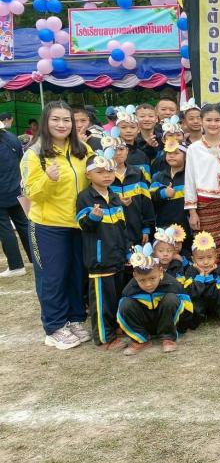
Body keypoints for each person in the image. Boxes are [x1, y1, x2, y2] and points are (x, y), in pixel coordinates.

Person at [20, 101, 92, 350]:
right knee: (53, 276)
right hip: (47, 225)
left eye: (66, 120)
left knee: (75, 273)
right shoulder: (35, 153)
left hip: (78, 223)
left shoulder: (82, 149)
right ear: (45, 122)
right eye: (55, 119)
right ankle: (54, 326)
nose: (62, 125)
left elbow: (94, 175)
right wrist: (48, 180)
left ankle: (74, 318)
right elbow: (30, 192)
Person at [184, 103, 220, 297]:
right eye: (208, 120)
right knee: (210, 249)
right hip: (205, 205)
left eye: (217, 120)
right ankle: (212, 293)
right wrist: (192, 211)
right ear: (201, 122)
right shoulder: (193, 149)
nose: (213, 124)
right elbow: (190, 179)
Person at [76, 148, 128, 350]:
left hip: (117, 258)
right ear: (88, 175)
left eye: (110, 171)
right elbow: (83, 225)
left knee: (115, 297)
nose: (106, 175)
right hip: (99, 260)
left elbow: (122, 228)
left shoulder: (114, 196)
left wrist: (126, 250)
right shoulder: (85, 197)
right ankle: (104, 337)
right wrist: (93, 217)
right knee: (101, 301)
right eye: (100, 172)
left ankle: (115, 327)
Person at [118, 243, 190, 355]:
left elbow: (187, 308)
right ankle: (141, 340)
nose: (148, 284)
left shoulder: (172, 284)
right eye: (142, 280)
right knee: (125, 304)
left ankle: (168, 338)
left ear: (160, 271)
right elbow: (124, 313)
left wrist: (182, 327)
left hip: (167, 322)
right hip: (145, 325)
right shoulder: (130, 289)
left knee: (171, 299)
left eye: (152, 278)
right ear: (135, 276)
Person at [183, 231, 220, 328]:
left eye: (209, 257)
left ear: (215, 256)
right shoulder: (190, 271)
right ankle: (198, 319)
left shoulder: (219, 269)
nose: (206, 262)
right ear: (193, 259)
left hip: (214, 303)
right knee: (191, 299)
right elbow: (192, 292)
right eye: (200, 258)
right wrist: (201, 276)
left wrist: (207, 275)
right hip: (199, 303)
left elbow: (216, 288)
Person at [0, 111, 31, 277]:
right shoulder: (12, 137)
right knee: (23, 224)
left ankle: (16, 265)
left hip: (3, 191)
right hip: (16, 189)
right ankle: (35, 258)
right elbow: (21, 160)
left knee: (5, 229)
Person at [110, 136, 155, 249]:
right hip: (112, 234)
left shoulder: (137, 173)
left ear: (127, 150)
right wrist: (117, 200)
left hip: (136, 231)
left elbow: (146, 203)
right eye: (113, 150)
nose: (118, 153)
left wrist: (146, 228)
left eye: (121, 149)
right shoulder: (104, 176)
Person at [150, 138, 189, 250]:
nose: (172, 156)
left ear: (186, 156)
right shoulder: (158, 176)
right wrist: (163, 193)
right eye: (169, 153)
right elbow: (150, 196)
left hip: (185, 225)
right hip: (163, 225)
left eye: (176, 153)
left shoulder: (190, 175)